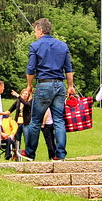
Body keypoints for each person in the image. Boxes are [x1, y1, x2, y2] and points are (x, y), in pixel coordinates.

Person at [22, 17, 76, 161]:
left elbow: (31, 69)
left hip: (44, 84)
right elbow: (68, 69)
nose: (35, 34)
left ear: (40, 30)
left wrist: (29, 86)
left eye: (35, 31)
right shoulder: (62, 46)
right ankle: (60, 155)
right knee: (59, 120)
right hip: (59, 85)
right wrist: (70, 86)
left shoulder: (35, 46)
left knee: (35, 121)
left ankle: (30, 153)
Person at [9, 87, 32, 154]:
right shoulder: (18, 101)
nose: (25, 95)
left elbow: (27, 105)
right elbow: (10, 110)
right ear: (21, 94)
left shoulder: (29, 102)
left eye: (26, 94)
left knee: (27, 139)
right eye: (23, 93)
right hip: (17, 123)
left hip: (26, 123)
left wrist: (18, 96)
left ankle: (28, 154)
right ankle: (16, 154)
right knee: (17, 140)